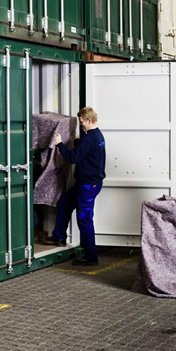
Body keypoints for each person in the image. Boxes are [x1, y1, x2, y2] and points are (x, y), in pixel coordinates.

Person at [43, 107, 107, 266]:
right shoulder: (96, 135)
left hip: (88, 186)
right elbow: (86, 150)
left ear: (89, 120)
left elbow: (73, 158)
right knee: (65, 203)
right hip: (86, 184)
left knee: (84, 219)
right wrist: (77, 141)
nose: (80, 124)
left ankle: (90, 256)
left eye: (82, 121)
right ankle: (59, 237)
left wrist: (59, 144)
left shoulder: (89, 138)